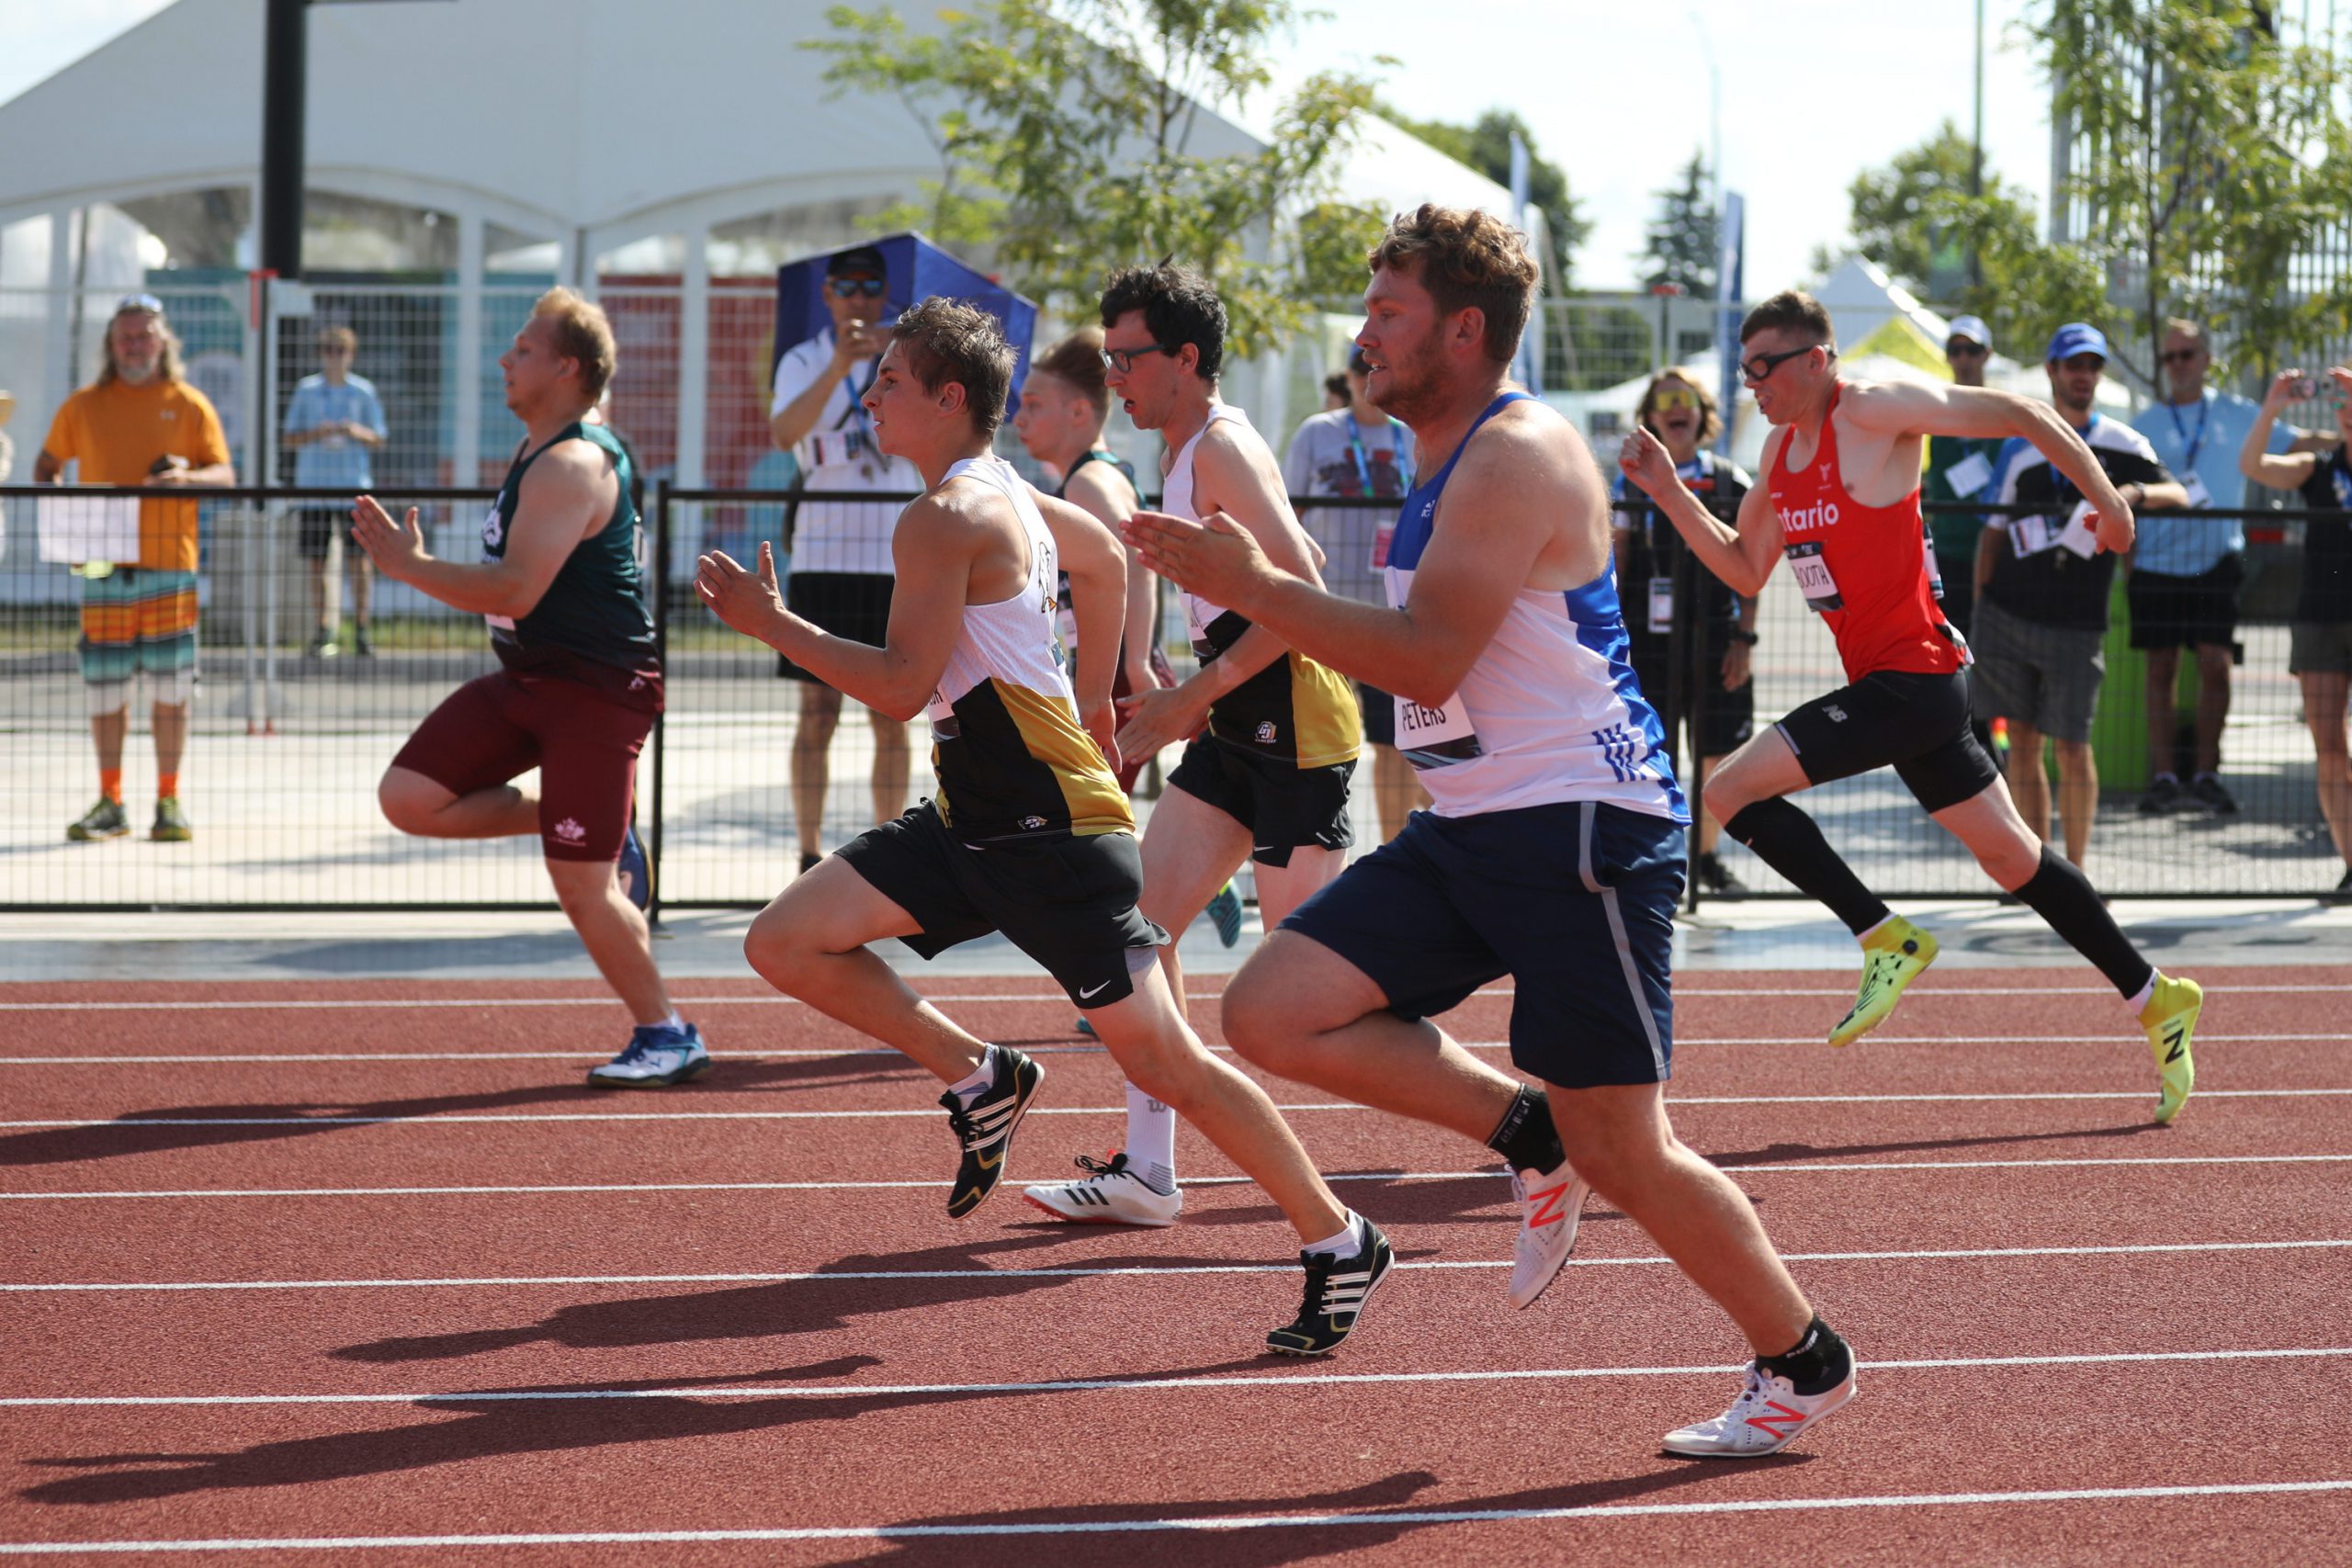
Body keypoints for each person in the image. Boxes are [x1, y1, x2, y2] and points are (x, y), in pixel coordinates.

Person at [1132, 204, 1851, 1457]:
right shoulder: (1444, 455)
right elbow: (1428, 663)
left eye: (1388, 314)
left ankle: (1804, 1355)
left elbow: (1426, 650)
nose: (1363, 337)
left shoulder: (1518, 452)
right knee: (1271, 1007)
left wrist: (1253, 586)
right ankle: (1525, 1134)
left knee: (1629, 1145)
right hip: (1474, 823)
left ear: (1465, 331)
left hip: (1579, 825)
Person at [697, 298, 1393, 1357]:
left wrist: (774, 626)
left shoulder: (945, 517)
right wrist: (1106, 692)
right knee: (784, 938)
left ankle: (1338, 1236)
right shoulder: (1008, 494)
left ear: (945, 399)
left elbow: (897, 686)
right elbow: (1108, 564)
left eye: (888, 381)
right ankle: (983, 1073)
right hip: (973, 818)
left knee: (1171, 1066)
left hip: (1052, 835)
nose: (870, 395)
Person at [1620, 289, 2203, 1126]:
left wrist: (2109, 501)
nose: (1752, 384)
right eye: (1744, 369)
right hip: (1908, 696)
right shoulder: (1782, 459)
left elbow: (2022, 411)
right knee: (2015, 861)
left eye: (1765, 367)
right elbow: (1745, 567)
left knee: (1724, 792)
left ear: (1816, 360)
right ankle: (2158, 996)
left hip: (1916, 680)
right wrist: (1672, 489)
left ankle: (1882, 934)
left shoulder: (1874, 410)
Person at [1031, 263, 1362, 1227]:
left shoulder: (1218, 447)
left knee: (1326, 999)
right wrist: (1184, 671)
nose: (1115, 375)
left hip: (1296, 725)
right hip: (1236, 717)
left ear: (1184, 358)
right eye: (1108, 357)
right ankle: (1148, 1170)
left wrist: (1196, 695)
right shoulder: (1179, 454)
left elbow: (1303, 592)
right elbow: (1238, 597)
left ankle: (1524, 1126)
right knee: (1138, 927)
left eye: (1127, 357)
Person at [352, 288, 704, 1090]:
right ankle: (597, 826)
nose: (504, 362)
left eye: (522, 350)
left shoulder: (574, 460)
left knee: (579, 882)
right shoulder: (537, 450)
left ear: (567, 367)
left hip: (596, 689)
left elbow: (515, 588)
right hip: (530, 679)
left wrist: (409, 569)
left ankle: (668, 1032)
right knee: (410, 796)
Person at [1011, 324, 1249, 1065]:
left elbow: (1133, 566)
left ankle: (1147, 981)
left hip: (1111, 677)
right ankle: (1163, 946)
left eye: (1034, 404)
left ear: (1081, 414)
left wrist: (1138, 667)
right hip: (1102, 670)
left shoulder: (1090, 480)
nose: (1019, 419)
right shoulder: (1082, 477)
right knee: (1090, 831)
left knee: (1084, 836)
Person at [1971, 325, 2186, 867]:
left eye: (2092, 365)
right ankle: (2037, 869)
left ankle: (2079, 874)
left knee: (2072, 744)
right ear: (2052, 371)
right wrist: (1978, 611)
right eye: (2073, 364)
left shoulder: (2123, 442)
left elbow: (2179, 491)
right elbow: (1992, 533)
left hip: (2079, 621)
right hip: (2010, 611)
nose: (2082, 375)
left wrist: (2128, 495)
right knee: (2021, 740)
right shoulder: (2021, 441)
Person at [34, 294, 234, 845]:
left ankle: (168, 799)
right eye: (125, 337)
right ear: (111, 344)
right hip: (102, 568)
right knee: (105, 689)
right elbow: (46, 467)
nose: (135, 345)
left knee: (170, 690)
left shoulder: (189, 402)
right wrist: (64, 527)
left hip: (170, 565)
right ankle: (110, 799)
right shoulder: (84, 405)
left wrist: (187, 479)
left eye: (144, 336)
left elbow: (226, 474)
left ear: (163, 341)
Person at [768, 245, 923, 872]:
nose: (858, 298)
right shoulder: (804, 359)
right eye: (846, 286)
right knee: (817, 711)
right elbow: (785, 433)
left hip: (893, 561)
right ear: (828, 295)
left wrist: (887, 368)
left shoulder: (909, 360)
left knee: (892, 714)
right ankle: (809, 851)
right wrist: (839, 365)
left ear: (884, 295)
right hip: (822, 556)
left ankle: (887, 851)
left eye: (870, 287)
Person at [2127, 319, 2297, 815]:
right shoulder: (2145, 424)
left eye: (2187, 354)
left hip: (2217, 562)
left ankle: (2206, 774)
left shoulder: (2238, 412)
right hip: (2156, 563)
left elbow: (2300, 441)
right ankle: (2163, 777)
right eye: (2170, 357)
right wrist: (2129, 562)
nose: (2178, 365)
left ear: (2206, 358)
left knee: (2215, 668)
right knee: (2159, 670)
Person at [1608, 367, 1757, 895]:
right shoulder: (1629, 480)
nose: (1677, 408)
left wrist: (1745, 640)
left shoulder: (1729, 479)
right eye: (1665, 400)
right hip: (1650, 639)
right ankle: (1661, 858)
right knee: (1653, 752)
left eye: (1686, 399)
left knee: (1720, 754)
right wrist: (1613, 638)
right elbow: (1618, 561)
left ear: (1702, 413)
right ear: (1650, 417)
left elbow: (1751, 571)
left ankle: (1708, 857)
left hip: (1716, 636)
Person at [1283, 344, 1430, 845]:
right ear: (1347, 375)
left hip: (1395, 617)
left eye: (1379, 366)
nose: (1370, 377)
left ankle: (1395, 855)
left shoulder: (1413, 434)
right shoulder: (1316, 433)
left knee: (1397, 747)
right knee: (1321, 744)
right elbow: (1286, 521)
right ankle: (1310, 851)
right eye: (1361, 368)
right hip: (1325, 618)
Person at [2241, 367, 2352, 902]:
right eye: (2342, 401)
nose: (2347, 407)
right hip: (2320, 619)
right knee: (2329, 747)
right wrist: (2272, 409)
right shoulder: (2317, 467)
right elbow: (2253, 465)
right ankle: (2351, 864)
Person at [1926, 316, 2003, 759]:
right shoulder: (1936, 410)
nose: (1963, 359)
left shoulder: (2000, 406)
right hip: (1951, 554)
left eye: (1971, 350)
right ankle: (1960, 740)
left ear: (1986, 355)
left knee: (1994, 654)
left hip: (1994, 552)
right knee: (1952, 653)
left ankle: (1991, 739)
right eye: (1955, 350)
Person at [286, 325, 388, 658]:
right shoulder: (307, 390)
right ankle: (323, 629)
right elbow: (289, 437)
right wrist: (317, 433)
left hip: (352, 487)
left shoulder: (363, 391)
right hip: (314, 488)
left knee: (359, 562)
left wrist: (354, 431)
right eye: (328, 349)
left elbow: (379, 437)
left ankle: (361, 629)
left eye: (340, 350)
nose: (334, 357)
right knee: (317, 562)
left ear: (351, 354)